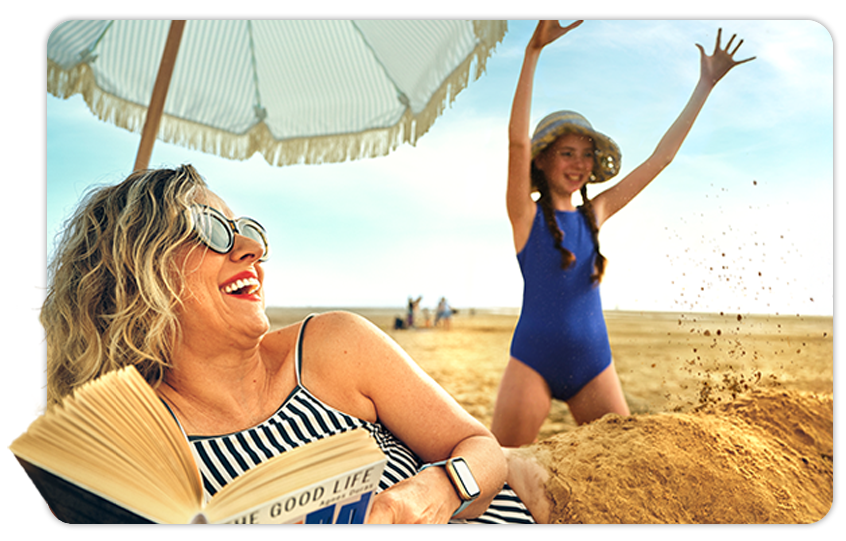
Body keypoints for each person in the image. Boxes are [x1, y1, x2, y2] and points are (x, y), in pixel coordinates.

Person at [40, 165, 544, 524]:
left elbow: (484, 450)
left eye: (248, 230)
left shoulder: (331, 346)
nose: (252, 248)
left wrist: (433, 490)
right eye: (213, 230)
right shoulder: (139, 457)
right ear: (134, 273)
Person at [491, 21, 755, 447]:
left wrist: (705, 84)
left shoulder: (595, 214)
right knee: (497, 469)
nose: (578, 164)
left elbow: (661, 159)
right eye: (566, 153)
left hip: (593, 366)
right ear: (542, 161)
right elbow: (517, 144)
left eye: (585, 155)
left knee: (628, 461)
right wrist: (532, 53)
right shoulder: (524, 217)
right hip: (532, 364)